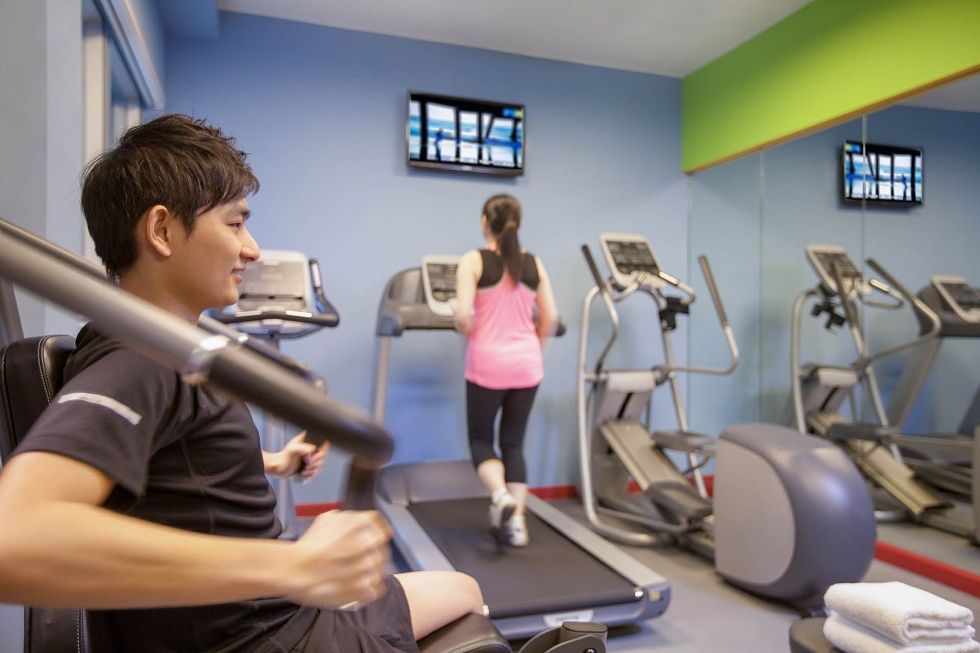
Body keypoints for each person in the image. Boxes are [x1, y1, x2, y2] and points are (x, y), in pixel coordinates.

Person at [0, 114, 483, 652]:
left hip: (268, 610)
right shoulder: (140, 360)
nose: (251, 248)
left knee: (457, 590)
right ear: (161, 231)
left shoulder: (164, 347)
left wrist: (274, 463)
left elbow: (173, 473)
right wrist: (295, 564)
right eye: (234, 224)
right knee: (464, 594)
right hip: (265, 634)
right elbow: (13, 538)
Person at [454, 194, 558, 547]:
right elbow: (551, 319)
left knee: (481, 440)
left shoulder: (473, 261)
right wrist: (536, 350)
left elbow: (462, 316)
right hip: (527, 365)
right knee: (513, 443)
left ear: (485, 222)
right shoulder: (534, 263)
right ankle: (518, 526)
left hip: (487, 364)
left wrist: (472, 331)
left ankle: (500, 496)